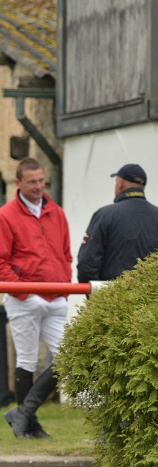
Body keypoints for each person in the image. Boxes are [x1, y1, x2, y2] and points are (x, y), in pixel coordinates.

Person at [0, 157, 72, 438]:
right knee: (27, 359)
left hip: (56, 298)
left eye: (42, 180)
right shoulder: (6, 215)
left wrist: (64, 289)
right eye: (32, 182)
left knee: (69, 355)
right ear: (18, 183)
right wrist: (25, 292)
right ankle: (29, 426)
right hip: (24, 298)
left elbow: (65, 255)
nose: (39, 186)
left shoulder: (57, 212)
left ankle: (22, 415)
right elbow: (2, 262)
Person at [77, 163, 158, 283]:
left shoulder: (104, 215)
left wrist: (95, 291)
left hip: (113, 292)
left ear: (120, 183)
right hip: (151, 293)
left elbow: (87, 263)